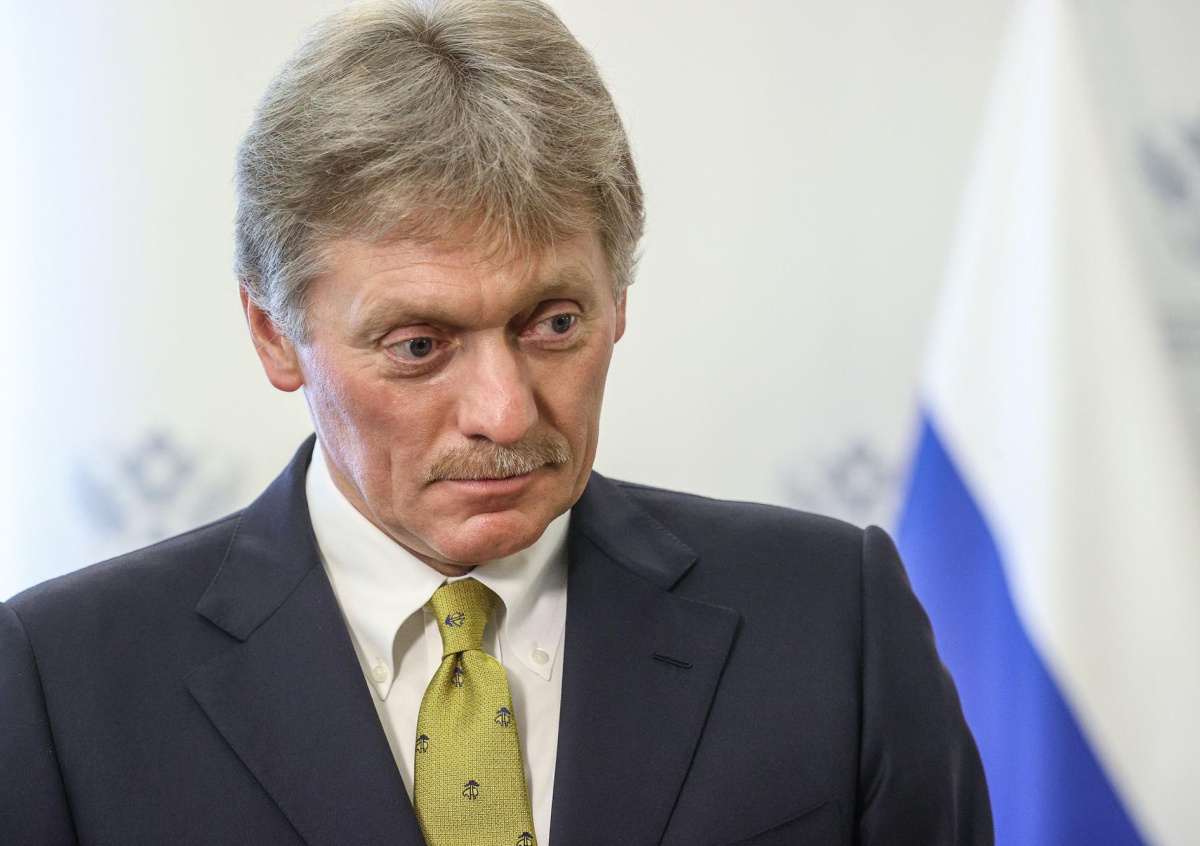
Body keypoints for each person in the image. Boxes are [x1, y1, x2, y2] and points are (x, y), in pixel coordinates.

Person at [0, 0, 992, 843]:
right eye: (418, 345)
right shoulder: (58, 684)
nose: (505, 412)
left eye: (554, 323)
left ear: (618, 299)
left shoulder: (831, 621)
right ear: (274, 334)